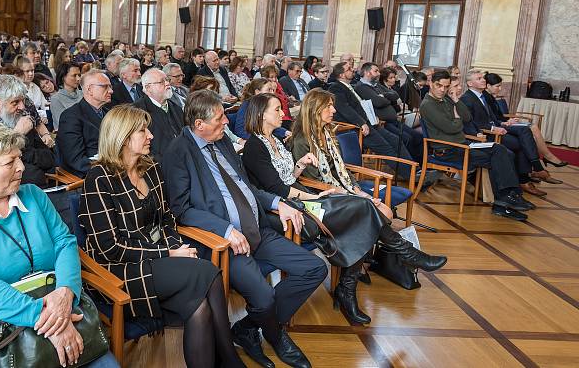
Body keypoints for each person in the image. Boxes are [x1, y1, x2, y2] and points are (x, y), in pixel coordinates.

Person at [0, 123, 118, 368]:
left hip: (58, 306)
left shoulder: (34, 195)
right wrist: (49, 321)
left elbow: (65, 243)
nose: (21, 167)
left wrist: (66, 292)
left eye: (19, 158)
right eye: (9, 163)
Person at [162, 89, 326, 368]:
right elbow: (182, 210)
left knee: (315, 269)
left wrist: (277, 202)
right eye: (220, 117)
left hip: (257, 229)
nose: (227, 122)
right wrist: (225, 230)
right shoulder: (178, 152)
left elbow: (244, 187)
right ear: (199, 125)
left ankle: (248, 328)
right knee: (264, 297)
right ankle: (276, 336)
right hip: (226, 245)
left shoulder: (222, 140)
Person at [80, 105, 244, 368]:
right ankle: (230, 358)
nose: (151, 136)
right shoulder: (99, 178)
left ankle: (226, 360)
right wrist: (170, 253)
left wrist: (176, 247)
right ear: (122, 137)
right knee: (208, 272)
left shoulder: (150, 168)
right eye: (142, 131)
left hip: (159, 259)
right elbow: (108, 248)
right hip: (121, 270)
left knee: (199, 307)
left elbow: (167, 219)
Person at [242, 93, 425, 324]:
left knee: (362, 210)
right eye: (277, 109)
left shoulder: (276, 140)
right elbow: (278, 188)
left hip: (299, 198)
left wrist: (300, 164)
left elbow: (288, 177)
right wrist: (316, 196)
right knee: (362, 212)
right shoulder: (254, 146)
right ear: (261, 114)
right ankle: (400, 255)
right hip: (284, 208)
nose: (283, 113)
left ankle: (351, 287)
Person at [420, 70, 533, 221]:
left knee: (499, 150)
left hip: (463, 145)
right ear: (430, 83)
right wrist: (456, 118)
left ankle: (508, 197)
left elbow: (467, 117)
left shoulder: (447, 99)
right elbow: (452, 127)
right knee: (497, 155)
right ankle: (504, 201)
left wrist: (455, 100)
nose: (442, 90)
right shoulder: (427, 104)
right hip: (448, 150)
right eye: (438, 85)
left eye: (446, 87)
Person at [460, 69, 558, 193]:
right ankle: (528, 176)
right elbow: (472, 123)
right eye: (479, 78)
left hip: (495, 129)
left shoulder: (481, 96)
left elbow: (492, 117)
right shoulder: (467, 98)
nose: (483, 80)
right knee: (521, 143)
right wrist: (493, 128)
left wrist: (501, 123)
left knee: (525, 131)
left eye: (482, 78)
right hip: (486, 135)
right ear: (470, 83)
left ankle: (528, 176)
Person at [327, 61, 415, 179]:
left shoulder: (350, 86)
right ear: (342, 75)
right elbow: (345, 109)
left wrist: (372, 117)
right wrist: (362, 122)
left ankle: (414, 170)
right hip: (356, 128)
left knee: (396, 140)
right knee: (386, 148)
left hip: (370, 123)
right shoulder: (336, 87)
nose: (353, 70)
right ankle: (410, 175)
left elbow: (361, 106)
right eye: (349, 69)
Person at [484, 72, 567, 168]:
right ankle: (547, 157)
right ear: (488, 86)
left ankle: (545, 158)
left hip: (504, 122)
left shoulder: (490, 97)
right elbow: (492, 118)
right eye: (497, 86)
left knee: (533, 129)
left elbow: (498, 115)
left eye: (500, 86)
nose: (500, 89)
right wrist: (506, 122)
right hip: (499, 126)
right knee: (533, 129)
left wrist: (509, 119)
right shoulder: (485, 98)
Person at [56, 69, 111, 177]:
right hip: (93, 175)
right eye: (105, 86)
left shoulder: (109, 113)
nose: (111, 91)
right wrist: (109, 169)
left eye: (110, 86)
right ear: (90, 90)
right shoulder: (71, 116)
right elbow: (76, 160)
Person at [133, 68, 184, 162]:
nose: (167, 84)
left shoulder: (176, 107)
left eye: (167, 80)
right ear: (148, 88)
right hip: (159, 164)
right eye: (161, 82)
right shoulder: (138, 112)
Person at [15, 56, 50, 122]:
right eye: (27, 71)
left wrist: (46, 115)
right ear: (20, 72)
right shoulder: (16, 89)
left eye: (32, 70)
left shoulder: (35, 87)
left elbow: (44, 105)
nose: (31, 74)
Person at [50, 62, 82, 131]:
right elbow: (63, 124)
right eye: (74, 75)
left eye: (79, 75)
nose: (78, 78)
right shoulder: (56, 99)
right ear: (63, 77)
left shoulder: (83, 94)